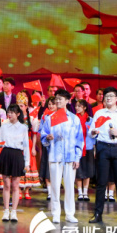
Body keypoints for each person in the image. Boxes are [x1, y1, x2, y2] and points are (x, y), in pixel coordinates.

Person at [89, 87, 117, 225]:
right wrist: (93, 132)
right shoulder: (99, 113)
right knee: (101, 182)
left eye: (111, 96)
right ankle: (98, 213)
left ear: (116, 98)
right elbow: (90, 132)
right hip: (103, 148)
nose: (108, 98)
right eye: (106, 96)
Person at [41, 90, 82, 224]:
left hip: (70, 157)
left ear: (67, 101)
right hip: (55, 156)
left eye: (61, 99)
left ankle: (70, 213)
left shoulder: (74, 119)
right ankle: (56, 213)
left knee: (69, 186)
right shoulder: (49, 118)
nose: (58, 101)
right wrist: (47, 138)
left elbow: (79, 139)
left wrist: (77, 157)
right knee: (55, 186)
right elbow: (43, 135)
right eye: (56, 99)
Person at [0, 104, 32, 223]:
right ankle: (6, 211)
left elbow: (26, 146)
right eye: (8, 112)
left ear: (18, 114)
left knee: (16, 185)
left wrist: (27, 162)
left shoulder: (23, 128)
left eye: (12, 112)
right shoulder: (4, 126)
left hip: (17, 155)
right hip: (6, 154)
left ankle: (14, 212)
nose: (9, 114)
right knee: (6, 185)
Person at [15, 93, 40, 199]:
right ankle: (19, 189)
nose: (20, 108)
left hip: (28, 144)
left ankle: (27, 190)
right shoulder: (15, 118)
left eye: (21, 106)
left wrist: (33, 147)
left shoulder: (32, 119)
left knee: (29, 165)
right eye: (18, 106)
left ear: (26, 106)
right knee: (18, 165)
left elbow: (34, 134)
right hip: (18, 144)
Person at [74, 99, 95, 201]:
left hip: (88, 147)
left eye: (79, 106)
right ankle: (80, 192)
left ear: (85, 108)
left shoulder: (90, 120)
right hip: (77, 148)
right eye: (76, 106)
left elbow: (94, 136)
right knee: (78, 170)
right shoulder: (74, 119)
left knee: (87, 170)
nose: (77, 108)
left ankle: (85, 192)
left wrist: (94, 149)